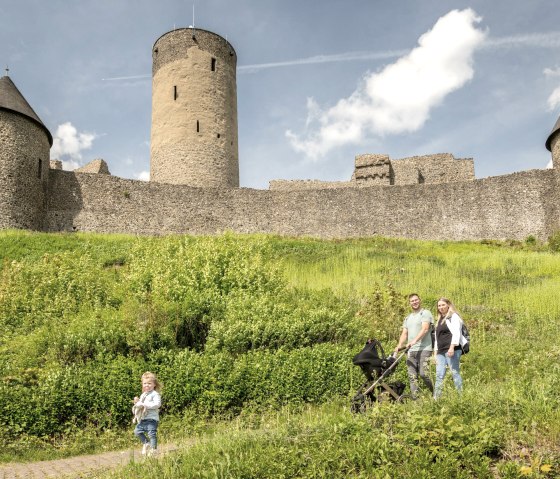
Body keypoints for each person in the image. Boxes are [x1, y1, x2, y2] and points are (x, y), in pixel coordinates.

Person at [394, 293, 434, 398]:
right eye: (412, 301)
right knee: (412, 377)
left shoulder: (425, 313)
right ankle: (415, 400)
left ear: (419, 300)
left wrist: (414, 341)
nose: (414, 302)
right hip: (410, 350)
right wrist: (399, 345)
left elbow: (425, 329)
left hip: (424, 348)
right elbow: (404, 333)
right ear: (409, 303)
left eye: (416, 300)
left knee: (423, 374)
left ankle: (435, 393)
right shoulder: (408, 318)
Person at [433, 297, 464, 399]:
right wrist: (435, 354)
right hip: (440, 351)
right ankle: (436, 399)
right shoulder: (439, 319)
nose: (441, 307)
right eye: (439, 305)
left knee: (454, 372)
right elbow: (437, 338)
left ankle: (460, 397)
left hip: (452, 349)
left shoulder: (453, 316)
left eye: (443, 305)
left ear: (448, 305)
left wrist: (451, 348)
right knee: (439, 375)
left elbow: (456, 333)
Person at [133, 371, 162, 456]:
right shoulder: (143, 394)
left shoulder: (155, 394)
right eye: (145, 383)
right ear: (142, 384)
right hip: (143, 418)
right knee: (137, 431)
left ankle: (153, 450)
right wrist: (137, 402)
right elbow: (141, 405)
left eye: (149, 383)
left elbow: (157, 404)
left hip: (152, 418)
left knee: (151, 434)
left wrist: (145, 405)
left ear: (154, 384)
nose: (147, 385)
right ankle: (146, 443)